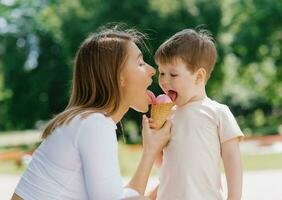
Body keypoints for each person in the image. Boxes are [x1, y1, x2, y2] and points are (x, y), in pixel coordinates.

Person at [11, 26, 171, 200]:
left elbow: (118, 196)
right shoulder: (94, 125)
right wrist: (150, 153)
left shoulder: (85, 121)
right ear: (119, 78)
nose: (152, 70)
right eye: (140, 63)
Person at [149, 29, 244, 200]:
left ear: (199, 76)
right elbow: (163, 166)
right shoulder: (167, 116)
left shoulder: (217, 113)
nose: (164, 80)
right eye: (161, 72)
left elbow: (232, 158)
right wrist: (152, 138)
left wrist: (234, 197)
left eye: (173, 74)